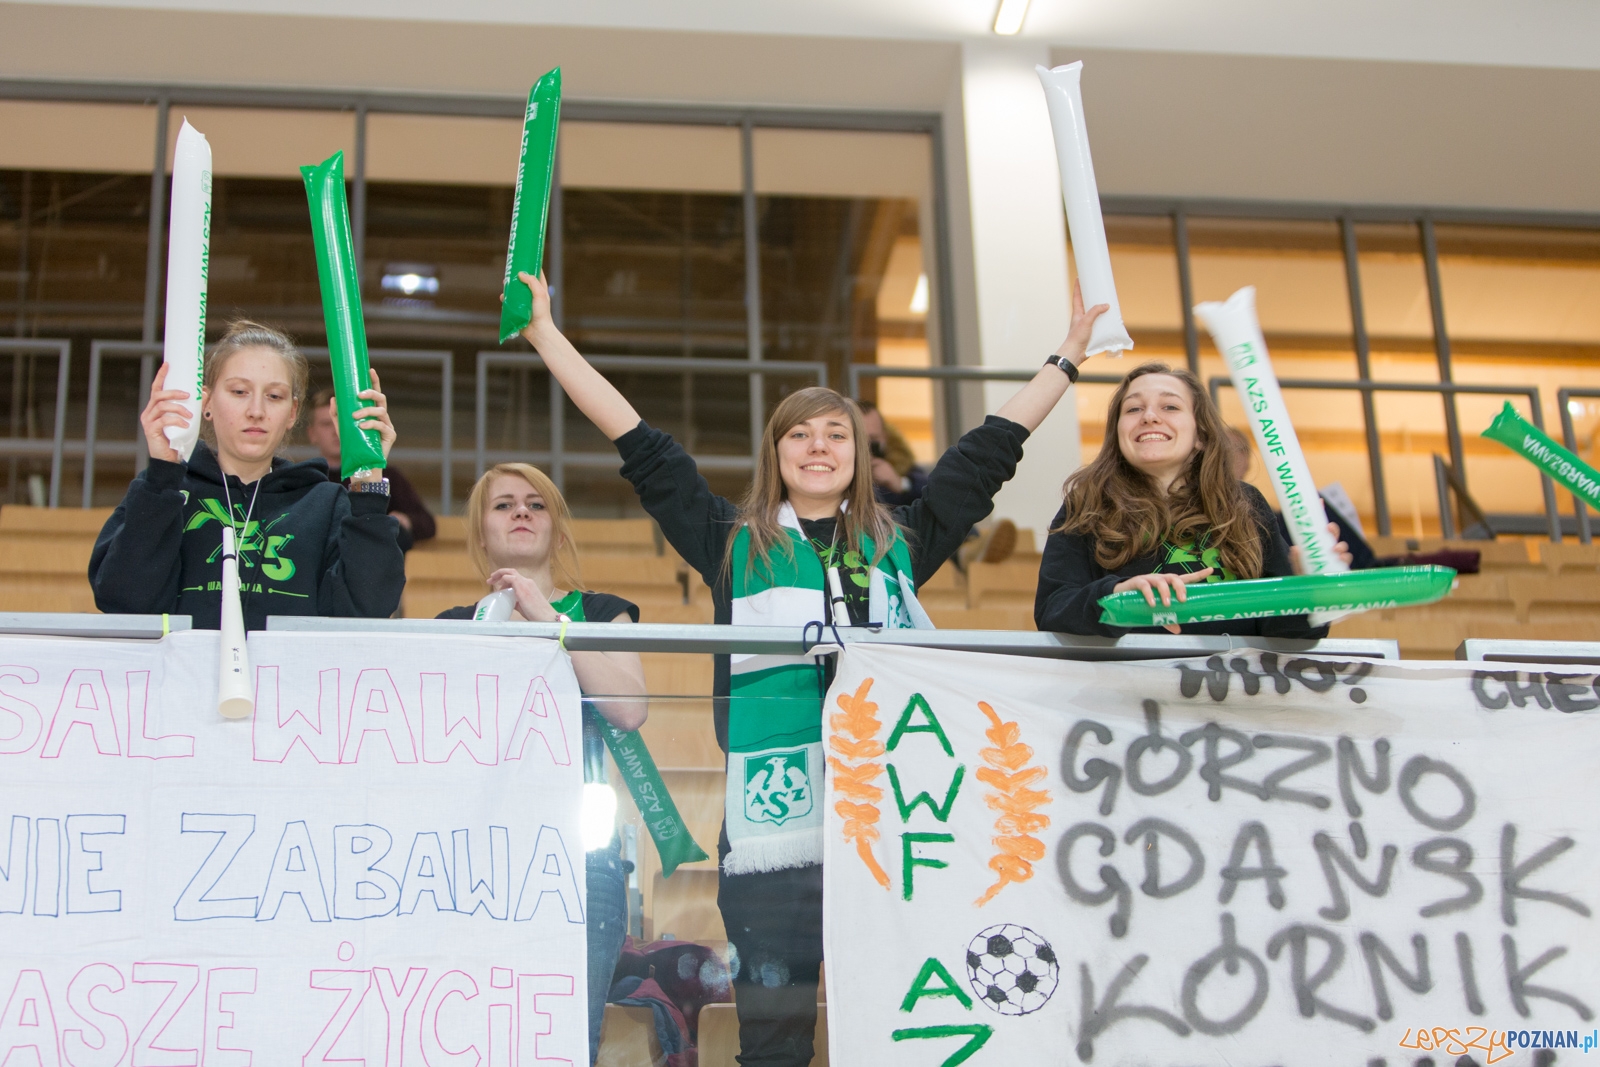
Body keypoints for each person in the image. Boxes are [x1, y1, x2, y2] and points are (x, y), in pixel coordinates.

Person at [508, 266, 1107, 1067]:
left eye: (835, 434)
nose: (818, 446)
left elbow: (991, 450)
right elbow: (639, 443)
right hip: (772, 843)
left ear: (859, 453)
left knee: (899, 1038)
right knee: (774, 1046)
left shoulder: (903, 540)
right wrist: (546, 334)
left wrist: (1068, 356)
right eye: (799, 434)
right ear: (776, 452)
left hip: (894, 828)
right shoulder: (730, 540)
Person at [435, 462, 647, 1065]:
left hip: (580, 861)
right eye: (503, 505)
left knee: (568, 1043)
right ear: (481, 533)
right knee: (475, 1040)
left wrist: (551, 621)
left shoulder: (602, 612)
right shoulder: (452, 628)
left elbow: (629, 708)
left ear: (558, 528)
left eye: (536, 503)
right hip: (475, 857)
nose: (521, 512)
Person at [90, 321, 405, 628]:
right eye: (239, 391)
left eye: (274, 396)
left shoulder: (326, 503)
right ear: (206, 402)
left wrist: (367, 477)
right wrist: (162, 475)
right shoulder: (165, 493)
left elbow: (368, 610)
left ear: (292, 413)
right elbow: (123, 601)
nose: (256, 410)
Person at [1035, 362, 1350, 638]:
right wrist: (1119, 597)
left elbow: (1288, 634)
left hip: (1234, 687)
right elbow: (1052, 611)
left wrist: (1307, 590)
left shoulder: (1245, 504)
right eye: (1133, 409)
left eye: (1170, 407)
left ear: (1200, 434)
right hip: (1126, 687)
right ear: (1118, 432)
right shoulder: (1086, 504)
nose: (1149, 417)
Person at [1224, 425, 1377, 570]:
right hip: (1259, 546)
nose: (1231, 455)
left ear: (1247, 464)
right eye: (1226, 447)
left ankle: (1367, 567)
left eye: (1239, 449)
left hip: (1278, 538)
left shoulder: (1261, 507)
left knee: (1311, 505)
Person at [306, 386, 437, 551]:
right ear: (312, 434)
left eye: (342, 422)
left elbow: (427, 523)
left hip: (372, 556)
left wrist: (403, 520)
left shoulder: (386, 474)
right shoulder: (306, 478)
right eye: (327, 424)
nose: (335, 431)